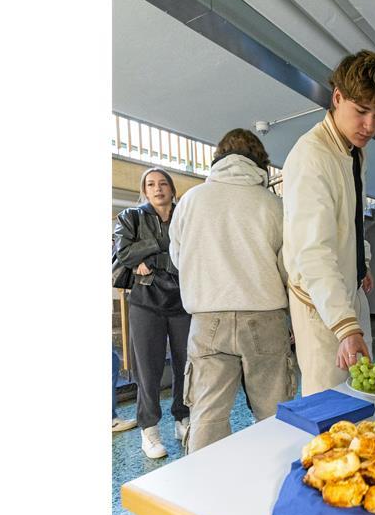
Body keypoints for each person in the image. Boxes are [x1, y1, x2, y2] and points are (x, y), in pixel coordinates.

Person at [283, 50, 375, 395]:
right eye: (361, 111)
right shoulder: (311, 157)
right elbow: (312, 251)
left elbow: (351, 218)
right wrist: (344, 327)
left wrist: (361, 260)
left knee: (363, 390)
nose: (369, 126)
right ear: (337, 97)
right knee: (329, 400)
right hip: (318, 300)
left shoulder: (354, 152)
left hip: (347, 288)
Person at [169, 129, 295, 453]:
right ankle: (274, 482)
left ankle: (202, 496)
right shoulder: (273, 204)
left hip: (208, 316)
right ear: (260, 162)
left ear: (218, 158)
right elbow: (287, 266)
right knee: (273, 413)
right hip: (264, 315)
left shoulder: (191, 201)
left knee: (207, 415)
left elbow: (179, 257)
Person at [113, 167, 191, 459]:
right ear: (144, 191)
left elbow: (194, 251)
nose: (158, 189)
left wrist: (147, 256)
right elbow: (124, 253)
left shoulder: (185, 216)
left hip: (183, 299)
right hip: (146, 300)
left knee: (186, 364)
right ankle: (150, 430)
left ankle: (182, 419)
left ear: (172, 189)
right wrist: (157, 248)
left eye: (163, 184)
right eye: (151, 185)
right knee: (149, 370)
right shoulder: (130, 217)